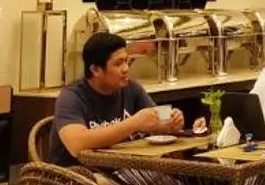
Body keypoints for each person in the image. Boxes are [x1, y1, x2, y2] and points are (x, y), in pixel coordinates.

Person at [50, 30, 182, 166]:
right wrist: (134, 123)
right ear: (95, 70)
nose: (126, 69)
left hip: (122, 170)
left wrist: (174, 119)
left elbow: (160, 117)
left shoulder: (131, 88)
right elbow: (77, 145)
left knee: (175, 179)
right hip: (78, 178)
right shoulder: (71, 96)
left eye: (126, 61)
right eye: (118, 64)